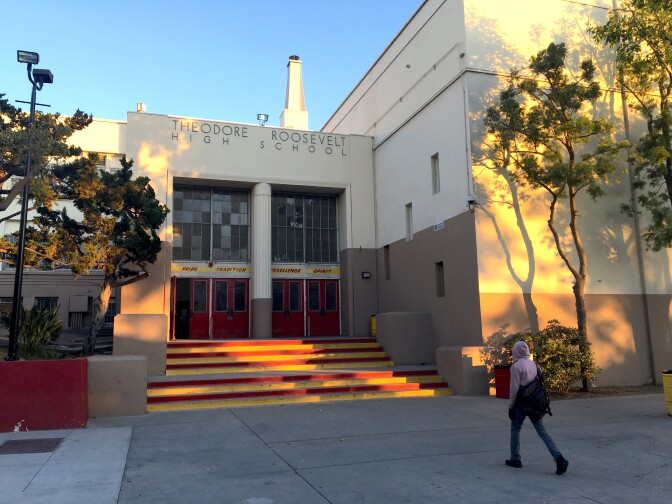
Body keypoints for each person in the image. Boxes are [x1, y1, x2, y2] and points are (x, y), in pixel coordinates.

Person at [506, 340, 569, 475]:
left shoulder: (516, 367)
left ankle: (515, 458)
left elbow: (514, 389)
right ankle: (559, 458)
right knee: (542, 431)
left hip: (520, 404)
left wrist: (511, 407)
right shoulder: (534, 364)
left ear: (515, 351)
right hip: (535, 403)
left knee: (515, 429)